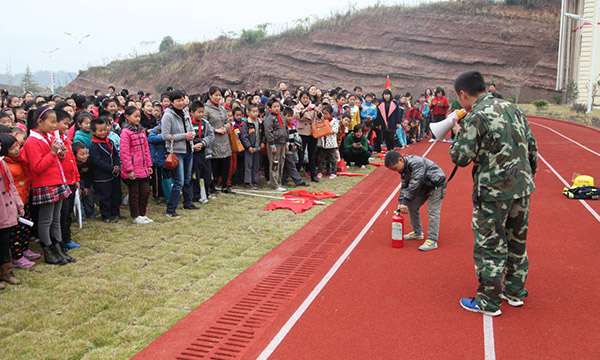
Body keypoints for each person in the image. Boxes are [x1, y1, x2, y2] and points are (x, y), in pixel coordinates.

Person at [450, 70, 538, 317]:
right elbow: (532, 148)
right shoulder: (515, 109)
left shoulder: (476, 117)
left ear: (463, 94)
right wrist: (526, 181)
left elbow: (460, 157)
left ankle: (489, 302)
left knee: (489, 245)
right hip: (521, 189)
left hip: (492, 193)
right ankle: (515, 292)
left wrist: (458, 135)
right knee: (517, 242)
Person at [22, 106, 71, 265]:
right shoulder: (32, 141)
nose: (54, 125)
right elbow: (37, 167)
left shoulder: (48, 137)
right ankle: (47, 249)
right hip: (45, 184)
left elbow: (57, 160)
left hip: (57, 181)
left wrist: (60, 153)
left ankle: (58, 247)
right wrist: (52, 152)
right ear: (40, 121)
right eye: (52, 122)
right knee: (46, 219)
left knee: (56, 218)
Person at [384, 150, 446, 252]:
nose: (396, 171)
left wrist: (405, 201)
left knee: (432, 211)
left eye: (395, 168)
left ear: (400, 160)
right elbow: (405, 185)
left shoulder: (416, 163)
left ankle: (432, 240)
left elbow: (415, 182)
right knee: (412, 206)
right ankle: (418, 233)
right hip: (424, 185)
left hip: (435, 184)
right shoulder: (403, 169)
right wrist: (401, 202)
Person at [2, 133, 39, 269]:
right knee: (16, 232)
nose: (17, 150)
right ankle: (17, 256)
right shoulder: (6, 165)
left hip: (24, 199)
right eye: (12, 148)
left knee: (25, 228)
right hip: (14, 203)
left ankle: (25, 249)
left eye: (17, 146)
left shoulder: (19, 160)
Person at [161, 90, 199, 218]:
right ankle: (170, 209)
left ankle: (188, 203)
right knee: (179, 181)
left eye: (182, 100)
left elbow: (190, 128)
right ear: (172, 102)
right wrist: (184, 136)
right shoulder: (168, 115)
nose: (181, 102)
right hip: (177, 151)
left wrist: (192, 134)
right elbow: (165, 135)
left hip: (189, 149)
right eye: (178, 100)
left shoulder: (185, 112)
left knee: (188, 179)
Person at [120, 106, 154, 224]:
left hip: (143, 167)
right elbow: (124, 152)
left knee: (145, 192)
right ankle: (135, 215)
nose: (138, 118)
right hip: (133, 168)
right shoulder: (125, 132)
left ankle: (142, 214)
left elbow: (146, 149)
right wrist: (129, 169)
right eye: (135, 116)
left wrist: (149, 165)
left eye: (139, 116)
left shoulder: (141, 130)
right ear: (127, 117)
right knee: (134, 194)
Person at [0, 134, 24, 287]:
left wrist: (19, 204)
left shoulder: (2, 164)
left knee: (4, 240)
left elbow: (12, 186)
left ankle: (6, 271)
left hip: (6, 206)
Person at [55, 110, 80, 255]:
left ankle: (67, 238)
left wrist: (76, 178)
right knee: (62, 214)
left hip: (70, 181)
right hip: (61, 182)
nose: (67, 125)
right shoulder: (55, 141)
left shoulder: (66, 140)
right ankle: (61, 241)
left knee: (68, 211)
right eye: (65, 123)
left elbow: (72, 161)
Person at [89, 117, 122, 223]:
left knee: (116, 194)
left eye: (105, 129)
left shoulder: (110, 141)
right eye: (100, 130)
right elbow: (97, 161)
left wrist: (117, 166)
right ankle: (106, 216)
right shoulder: (94, 145)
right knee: (105, 196)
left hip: (114, 173)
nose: (103, 132)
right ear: (93, 131)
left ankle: (115, 213)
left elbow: (115, 154)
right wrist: (111, 168)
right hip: (102, 175)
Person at [204, 87, 234, 194]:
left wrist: (225, 128)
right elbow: (204, 124)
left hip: (224, 139)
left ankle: (225, 186)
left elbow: (227, 121)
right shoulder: (206, 109)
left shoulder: (222, 108)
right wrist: (215, 130)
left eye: (219, 95)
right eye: (215, 95)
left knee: (226, 163)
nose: (217, 97)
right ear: (210, 95)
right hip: (214, 140)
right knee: (214, 166)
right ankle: (212, 186)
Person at [189, 101, 214, 203]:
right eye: (199, 112)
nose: (201, 114)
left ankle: (206, 194)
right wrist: (193, 146)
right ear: (191, 112)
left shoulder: (206, 123)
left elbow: (211, 136)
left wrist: (203, 143)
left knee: (207, 174)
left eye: (202, 112)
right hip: (193, 154)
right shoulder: (188, 124)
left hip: (205, 153)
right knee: (195, 175)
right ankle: (196, 195)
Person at [293, 91, 319, 182]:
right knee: (300, 154)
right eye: (303, 98)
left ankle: (313, 175)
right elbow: (296, 115)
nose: (305, 100)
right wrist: (305, 110)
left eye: (307, 98)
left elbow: (320, 117)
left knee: (312, 155)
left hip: (313, 132)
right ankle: (296, 176)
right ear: (300, 98)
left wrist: (318, 111)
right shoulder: (297, 107)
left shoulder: (313, 106)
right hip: (302, 132)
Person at [282, 107, 309, 187]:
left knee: (288, 165)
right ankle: (298, 181)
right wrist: (290, 146)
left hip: (293, 148)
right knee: (291, 165)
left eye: (291, 116)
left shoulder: (293, 126)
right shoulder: (284, 126)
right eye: (288, 116)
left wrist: (296, 145)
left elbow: (296, 137)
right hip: (287, 149)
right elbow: (285, 138)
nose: (290, 118)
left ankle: (284, 179)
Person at [264, 99, 287, 191]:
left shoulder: (282, 117)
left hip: (282, 142)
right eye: (274, 107)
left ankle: (279, 181)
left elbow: (286, 130)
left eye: (278, 106)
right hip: (274, 144)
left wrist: (287, 142)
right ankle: (274, 184)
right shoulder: (269, 119)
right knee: (275, 163)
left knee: (281, 162)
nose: (277, 108)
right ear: (270, 108)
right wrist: (272, 145)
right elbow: (268, 132)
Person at [239, 104, 262, 189]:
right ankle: (248, 181)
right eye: (253, 111)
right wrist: (248, 146)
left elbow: (262, 134)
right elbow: (244, 137)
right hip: (250, 148)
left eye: (257, 111)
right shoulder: (246, 123)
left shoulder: (259, 122)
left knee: (256, 165)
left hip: (257, 146)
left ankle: (255, 180)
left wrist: (262, 142)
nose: (256, 113)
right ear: (248, 112)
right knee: (248, 165)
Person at [317, 105, 339, 179]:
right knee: (322, 158)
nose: (325, 115)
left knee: (332, 158)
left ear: (331, 114)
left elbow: (334, 130)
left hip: (331, 143)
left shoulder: (335, 121)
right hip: (322, 143)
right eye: (324, 114)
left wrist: (326, 129)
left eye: (326, 114)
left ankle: (334, 172)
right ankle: (320, 171)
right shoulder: (321, 121)